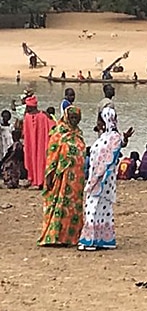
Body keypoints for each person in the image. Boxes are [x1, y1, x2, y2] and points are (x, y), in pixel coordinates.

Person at [79, 107, 133, 251]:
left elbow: (107, 157)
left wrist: (95, 178)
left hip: (102, 180)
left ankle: (90, 240)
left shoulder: (112, 138)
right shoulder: (108, 137)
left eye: (99, 120)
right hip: (102, 179)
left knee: (93, 208)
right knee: (102, 209)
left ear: (104, 121)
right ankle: (102, 239)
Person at [38, 106, 86, 247]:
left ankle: (71, 236)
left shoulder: (78, 134)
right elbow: (52, 157)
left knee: (73, 208)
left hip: (76, 180)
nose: (74, 120)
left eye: (76, 118)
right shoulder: (58, 134)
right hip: (61, 177)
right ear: (66, 117)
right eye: (71, 117)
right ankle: (55, 237)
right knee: (60, 205)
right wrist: (49, 176)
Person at [23, 95, 53, 189]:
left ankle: (40, 181)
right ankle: (33, 179)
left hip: (41, 144)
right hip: (31, 144)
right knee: (31, 159)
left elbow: (52, 127)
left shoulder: (43, 117)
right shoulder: (28, 117)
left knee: (40, 160)